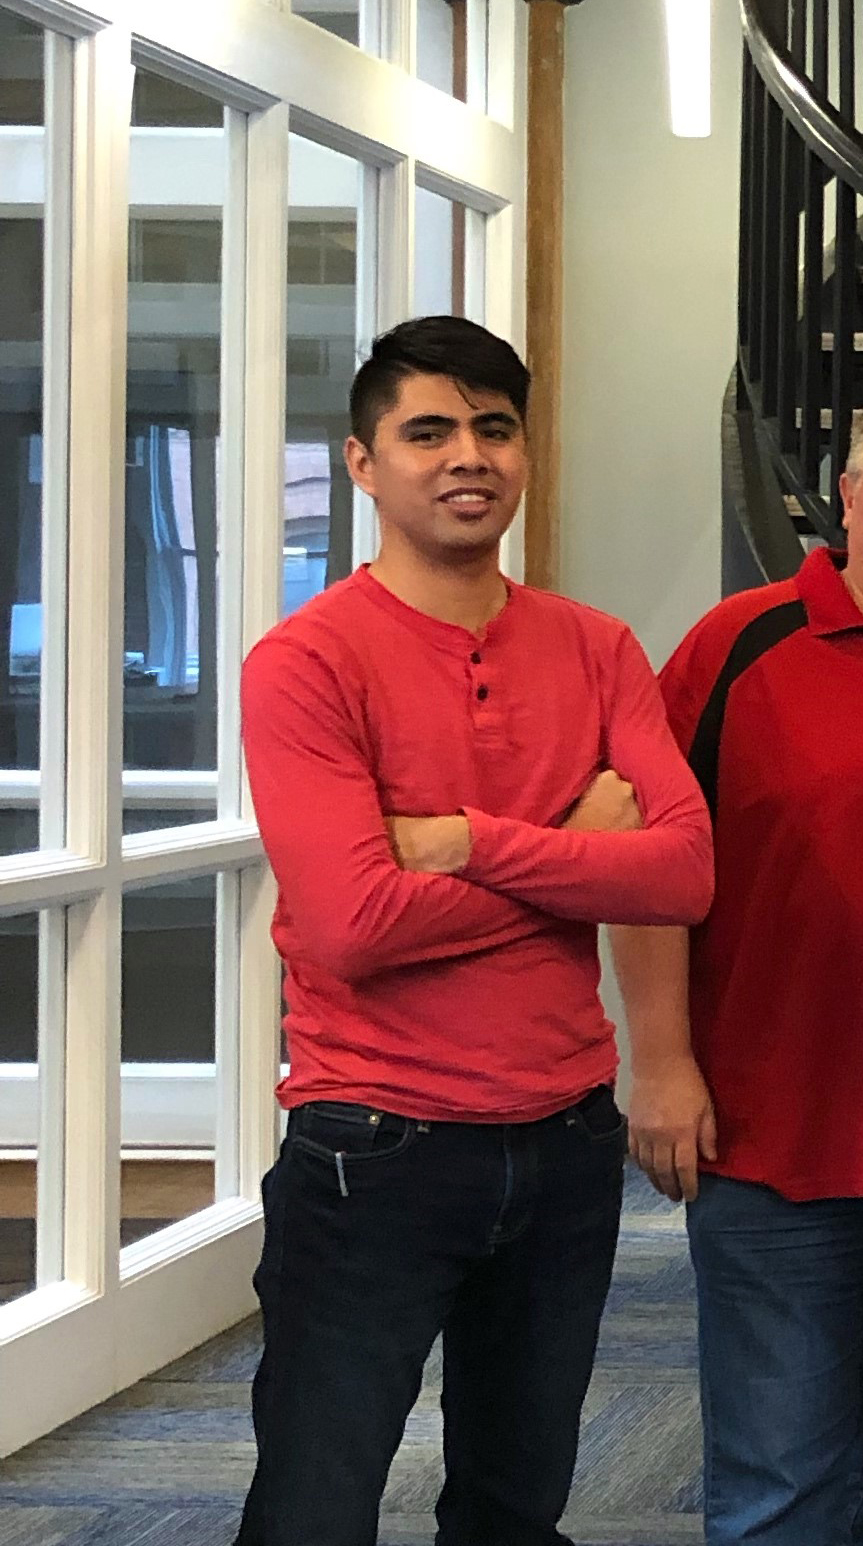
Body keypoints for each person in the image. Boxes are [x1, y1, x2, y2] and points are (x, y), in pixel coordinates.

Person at [234, 315, 715, 1545]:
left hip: (564, 1145)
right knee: (313, 1506)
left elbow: (682, 873)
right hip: (373, 1146)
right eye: (428, 430)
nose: (469, 456)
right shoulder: (305, 662)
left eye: (495, 428)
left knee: (515, 1505)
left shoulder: (597, 647)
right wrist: (576, 849)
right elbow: (352, 926)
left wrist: (472, 840)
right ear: (362, 462)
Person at [622, 391, 863, 1544]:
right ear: (846, 499)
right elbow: (646, 866)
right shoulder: (734, 643)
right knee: (778, 1483)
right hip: (765, 1130)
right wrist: (660, 1063)